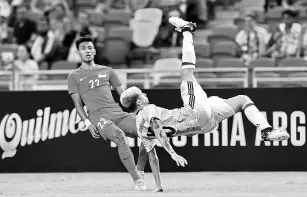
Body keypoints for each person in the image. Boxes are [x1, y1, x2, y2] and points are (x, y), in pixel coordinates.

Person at [120, 17, 290, 192]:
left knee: (242, 100)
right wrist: (172, 153)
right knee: (187, 73)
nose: (145, 94)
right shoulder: (147, 110)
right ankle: (187, 30)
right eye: (142, 94)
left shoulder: (141, 131)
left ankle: (267, 131)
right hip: (194, 113)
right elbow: (157, 128)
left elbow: (153, 158)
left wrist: (159, 186)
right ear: (139, 101)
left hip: (205, 126)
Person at [67, 35, 147, 190]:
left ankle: (140, 169)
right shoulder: (74, 76)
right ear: (78, 53)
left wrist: (138, 107)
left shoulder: (108, 71)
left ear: (95, 51)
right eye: (83, 48)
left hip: (117, 112)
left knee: (146, 130)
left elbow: (124, 97)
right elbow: (77, 105)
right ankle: (137, 180)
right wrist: (88, 123)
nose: (87, 51)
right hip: (98, 116)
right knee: (119, 136)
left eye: (90, 47)